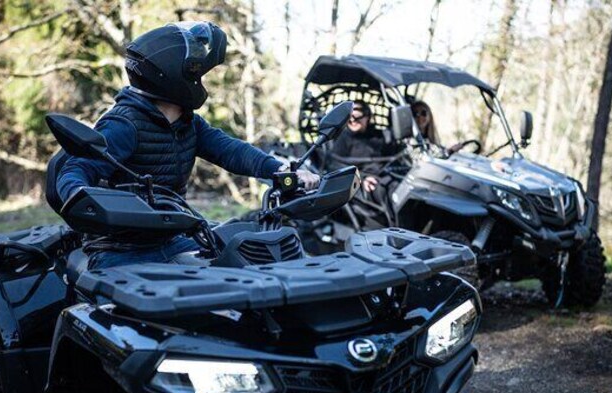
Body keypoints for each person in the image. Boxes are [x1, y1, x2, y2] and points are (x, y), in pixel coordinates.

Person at [56, 22, 319, 269]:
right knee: (130, 315)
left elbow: (231, 151)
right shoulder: (124, 125)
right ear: (173, 77)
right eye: (196, 73)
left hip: (172, 238)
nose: (200, 81)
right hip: (119, 249)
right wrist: (80, 194)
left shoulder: (189, 122)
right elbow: (76, 168)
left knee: (239, 280)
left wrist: (283, 170)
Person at [329, 100, 397, 196]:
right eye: (349, 117)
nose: (353, 121)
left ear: (367, 117)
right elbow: (335, 165)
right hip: (360, 184)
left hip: (385, 175)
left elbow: (393, 157)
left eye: (357, 117)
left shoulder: (381, 136)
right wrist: (362, 177)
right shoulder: (343, 138)